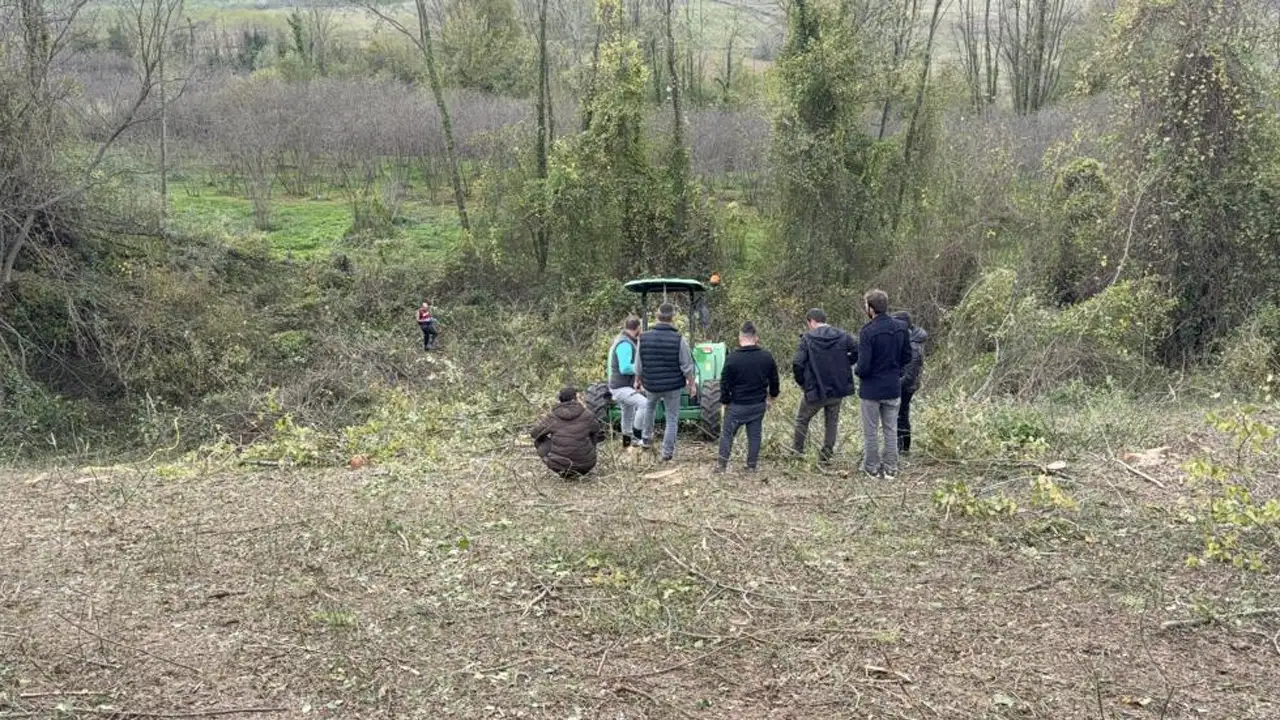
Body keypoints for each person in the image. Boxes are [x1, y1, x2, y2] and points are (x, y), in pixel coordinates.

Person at [856, 290, 912, 479]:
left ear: (871, 308)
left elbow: (863, 366)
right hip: (893, 387)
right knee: (891, 429)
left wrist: (857, 372)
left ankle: (872, 467)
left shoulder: (867, 331)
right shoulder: (901, 328)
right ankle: (891, 468)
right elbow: (907, 356)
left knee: (870, 431)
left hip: (871, 390)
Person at [791, 308, 858, 462]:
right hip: (837, 387)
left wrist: (802, 383)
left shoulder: (807, 338)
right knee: (831, 421)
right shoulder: (843, 336)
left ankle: (797, 453)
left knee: (802, 420)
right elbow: (857, 350)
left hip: (815, 389)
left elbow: (797, 363)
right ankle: (826, 455)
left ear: (811, 321)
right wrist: (846, 363)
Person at [716, 321, 780, 473]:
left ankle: (721, 465)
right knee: (755, 435)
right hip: (758, 404)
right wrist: (771, 397)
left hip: (737, 405)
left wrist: (725, 401)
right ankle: (751, 466)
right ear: (756, 338)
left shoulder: (733, 358)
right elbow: (774, 380)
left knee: (727, 435)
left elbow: (724, 383)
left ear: (740, 339)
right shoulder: (766, 357)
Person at [636, 303, 696, 462]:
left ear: (657, 316)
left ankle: (646, 439)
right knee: (672, 418)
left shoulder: (643, 338)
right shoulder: (679, 339)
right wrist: (692, 384)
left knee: (649, 409)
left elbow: (639, 364)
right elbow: (687, 365)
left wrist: (637, 380)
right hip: (673, 386)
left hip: (651, 384)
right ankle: (667, 453)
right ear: (672, 318)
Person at [530, 387, 606, 478]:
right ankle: (585, 458)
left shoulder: (553, 416)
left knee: (539, 440)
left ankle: (556, 462)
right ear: (575, 398)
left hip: (560, 467)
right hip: (586, 466)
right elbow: (597, 429)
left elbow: (534, 433)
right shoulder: (587, 414)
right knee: (593, 434)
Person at [607, 316, 648, 448]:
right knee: (645, 404)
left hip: (624, 386)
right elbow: (624, 368)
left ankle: (626, 443)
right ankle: (637, 435)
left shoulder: (628, 341)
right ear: (638, 328)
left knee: (627, 413)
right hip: (620, 387)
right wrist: (641, 368)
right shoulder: (625, 344)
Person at [892, 311, 928, 455]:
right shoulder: (911, 338)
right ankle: (901, 447)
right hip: (905, 383)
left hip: (905, 386)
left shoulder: (912, 344)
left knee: (901, 416)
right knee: (900, 415)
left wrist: (894, 385)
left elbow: (909, 374)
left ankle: (903, 448)